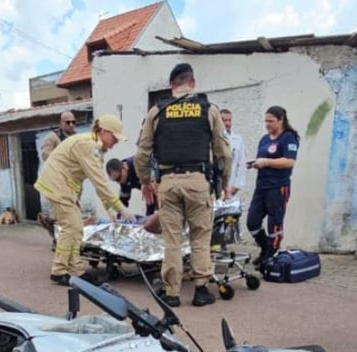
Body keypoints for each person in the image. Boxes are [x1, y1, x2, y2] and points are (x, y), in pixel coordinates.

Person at [135, 63, 231, 308]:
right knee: (200, 237)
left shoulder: (157, 111)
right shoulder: (209, 110)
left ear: (171, 86)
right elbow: (223, 153)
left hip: (168, 183)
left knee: (172, 240)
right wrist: (225, 182)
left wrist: (146, 182)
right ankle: (201, 291)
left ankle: (172, 293)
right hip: (198, 182)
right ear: (193, 83)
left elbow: (142, 152)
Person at [34, 114, 135, 286]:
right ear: (103, 131)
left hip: (65, 187)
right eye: (114, 137)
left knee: (76, 229)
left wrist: (110, 210)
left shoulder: (95, 147)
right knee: (71, 227)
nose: (116, 142)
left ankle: (75, 270)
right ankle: (59, 271)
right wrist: (120, 208)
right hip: (58, 185)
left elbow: (98, 183)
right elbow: (100, 182)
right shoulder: (88, 146)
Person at [247, 106, 300, 267]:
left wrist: (267, 162)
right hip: (261, 186)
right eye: (266, 121)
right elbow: (262, 159)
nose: (267, 124)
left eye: (271, 121)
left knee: (274, 225)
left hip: (278, 187)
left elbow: (289, 161)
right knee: (252, 221)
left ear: (281, 120)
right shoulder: (264, 139)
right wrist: (256, 163)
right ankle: (265, 248)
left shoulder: (288, 138)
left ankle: (271, 256)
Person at [38, 111, 78, 249]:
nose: (71, 125)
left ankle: (66, 240)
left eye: (73, 122)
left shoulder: (76, 138)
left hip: (71, 183)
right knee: (53, 216)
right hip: (54, 182)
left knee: (71, 213)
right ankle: (57, 239)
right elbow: (45, 154)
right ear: (61, 123)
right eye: (68, 122)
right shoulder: (53, 137)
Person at [219, 109, 247, 197]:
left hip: (231, 187)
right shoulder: (213, 139)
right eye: (224, 120)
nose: (227, 123)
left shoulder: (237, 140)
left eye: (229, 120)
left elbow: (241, 163)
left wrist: (236, 186)